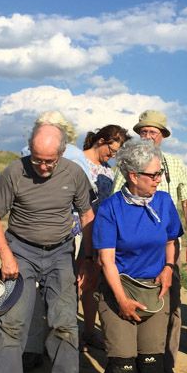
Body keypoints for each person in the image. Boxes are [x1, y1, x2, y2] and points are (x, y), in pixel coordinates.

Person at [0, 122, 94, 373]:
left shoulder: (73, 173)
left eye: (49, 160)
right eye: (37, 159)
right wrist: (6, 255)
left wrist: (86, 258)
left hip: (60, 253)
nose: (43, 166)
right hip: (21, 251)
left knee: (64, 322)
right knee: (11, 323)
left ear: (61, 153)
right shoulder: (15, 173)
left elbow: (87, 216)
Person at [93, 138, 183, 373]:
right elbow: (106, 260)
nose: (159, 180)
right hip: (119, 290)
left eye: (160, 174)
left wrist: (169, 267)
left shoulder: (163, 203)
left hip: (154, 291)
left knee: (151, 363)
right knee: (122, 364)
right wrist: (121, 300)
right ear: (132, 175)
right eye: (153, 175)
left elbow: (171, 239)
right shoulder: (110, 210)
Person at [113, 109, 187, 373]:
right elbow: (114, 201)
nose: (148, 136)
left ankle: (165, 366)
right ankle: (135, 363)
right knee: (133, 304)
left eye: (153, 132)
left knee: (171, 307)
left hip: (166, 247)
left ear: (163, 136)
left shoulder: (175, 165)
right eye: (144, 132)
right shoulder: (126, 165)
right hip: (133, 251)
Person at [64, 124, 128, 348]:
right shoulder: (76, 161)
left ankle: (89, 331)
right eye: (112, 150)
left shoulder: (109, 171)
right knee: (71, 281)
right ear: (101, 141)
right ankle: (67, 332)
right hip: (75, 229)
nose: (112, 155)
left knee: (92, 282)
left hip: (100, 231)